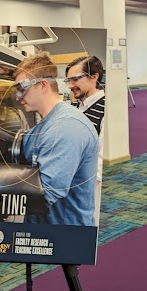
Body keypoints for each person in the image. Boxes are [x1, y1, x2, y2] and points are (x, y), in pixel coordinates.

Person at [14, 52, 99, 226]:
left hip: (65, 236)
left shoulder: (66, 127)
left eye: (22, 88)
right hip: (46, 229)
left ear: (43, 85)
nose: (18, 96)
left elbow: (44, 194)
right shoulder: (47, 124)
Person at [65, 55, 105, 225]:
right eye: (68, 80)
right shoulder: (77, 106)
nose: (70, 85)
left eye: (75, 79)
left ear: (94, 77)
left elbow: (101, 155)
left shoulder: (105, 108)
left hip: (87, 186)